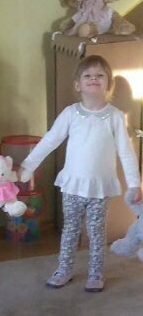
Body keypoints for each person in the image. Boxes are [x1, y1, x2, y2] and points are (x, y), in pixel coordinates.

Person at [20, 55, 142, 292]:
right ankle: (64, 269)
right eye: (88, 75)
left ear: (108, 84)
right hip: (73, 185)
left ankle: (96, 273)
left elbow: (126, 153)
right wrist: (28, 165)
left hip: (100, 188)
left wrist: (134, 184)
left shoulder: (115, 117)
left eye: (100, 75)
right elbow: (50, 140)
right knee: (70, 230)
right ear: (78, 84)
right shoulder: (71, 113)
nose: (94, 79)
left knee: (96, 233)